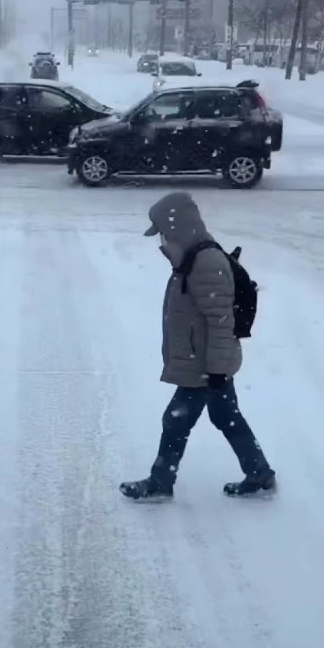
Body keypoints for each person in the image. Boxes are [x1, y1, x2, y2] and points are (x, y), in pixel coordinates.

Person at [120, 191, 276, 501]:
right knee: (225, 416)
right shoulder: (191, 257)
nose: (161, 238)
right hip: (204, 360)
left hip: (205, 364)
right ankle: (259, 472)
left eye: (164, 230)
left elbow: (221, 322)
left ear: (178, 226)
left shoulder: (205, 262)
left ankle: (160, 482)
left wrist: (216, 369)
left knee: (175, 420)